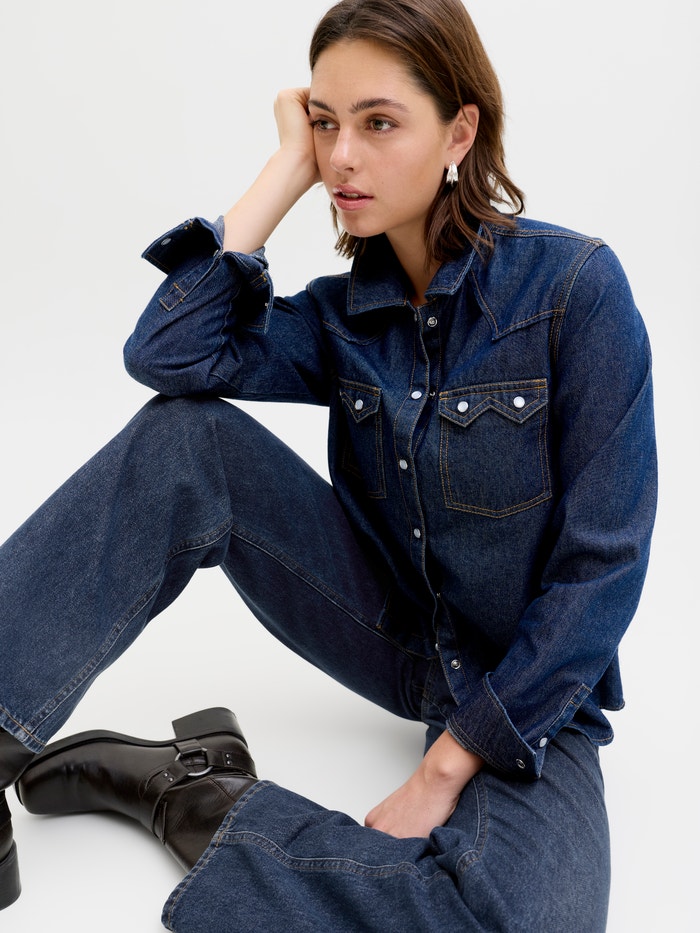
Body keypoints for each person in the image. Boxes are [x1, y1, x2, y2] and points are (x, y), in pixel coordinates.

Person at [0, 0, 656, 929]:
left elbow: (603, 570)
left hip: (529, 685)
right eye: (325, 124)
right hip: (394, 639)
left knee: (527, 920)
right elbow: (168, 356)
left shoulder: (574, 291)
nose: (343, 156)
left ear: (459, 132)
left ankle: (201, 798)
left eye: (379, 123)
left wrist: (447, 765)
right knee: (186, 438)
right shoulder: (340, 317)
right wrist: (283, 171)